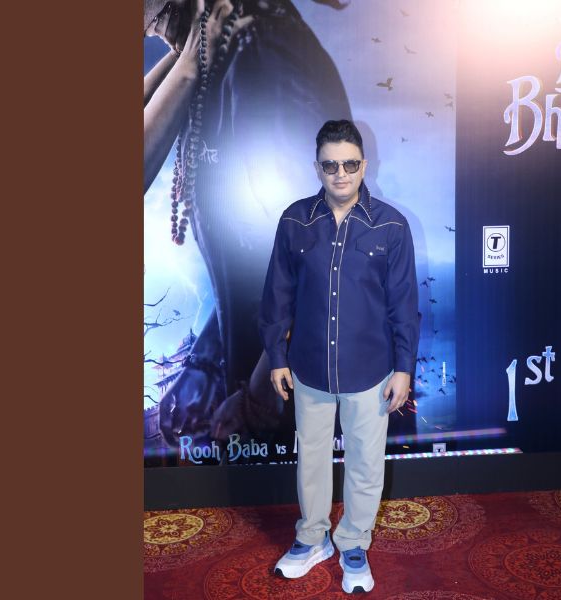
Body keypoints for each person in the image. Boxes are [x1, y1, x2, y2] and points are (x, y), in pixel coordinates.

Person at [143, 0, 354, 453]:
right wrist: (207, 360)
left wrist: (259, 398)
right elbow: (254, 262)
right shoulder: (212, 60)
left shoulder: (259, 51)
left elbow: (326, 253)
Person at [259, 120, 420, 594]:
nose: (341, 174)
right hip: (308, 368)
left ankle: (352, 543)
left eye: (350, 164)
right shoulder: (294, 221)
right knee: (310, 460)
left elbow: (404, 304)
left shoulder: (391, 226)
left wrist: (404, 369)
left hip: (371, 372)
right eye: (330, 165)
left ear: (364, 165)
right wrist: (276, 356)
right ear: (318, 168)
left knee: (366, 464)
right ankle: (312, 539)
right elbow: (277, 295)